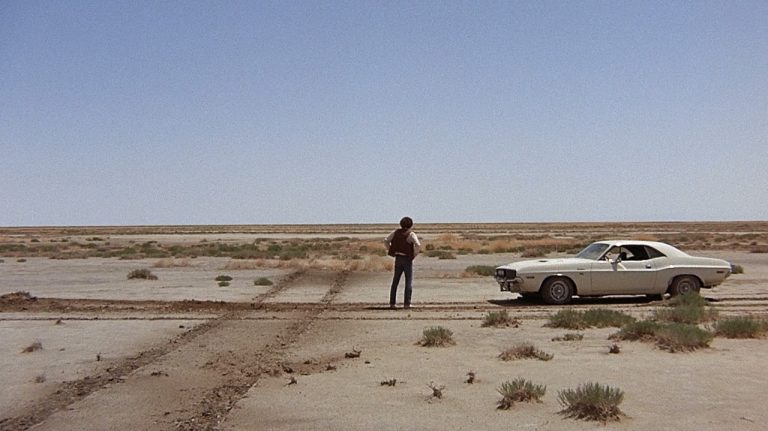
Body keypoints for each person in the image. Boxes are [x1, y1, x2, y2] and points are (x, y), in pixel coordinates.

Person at [384, 216, 421, 309]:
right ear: (411, 225)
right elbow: (418, 244)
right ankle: (407, 304)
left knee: (395, 281)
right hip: (407, 259)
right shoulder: (411, 234)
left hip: (398, 258)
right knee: (408, 281)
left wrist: (391, 250)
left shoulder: (395, 232)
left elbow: (386, 240)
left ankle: (392, 303)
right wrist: (414, 255)